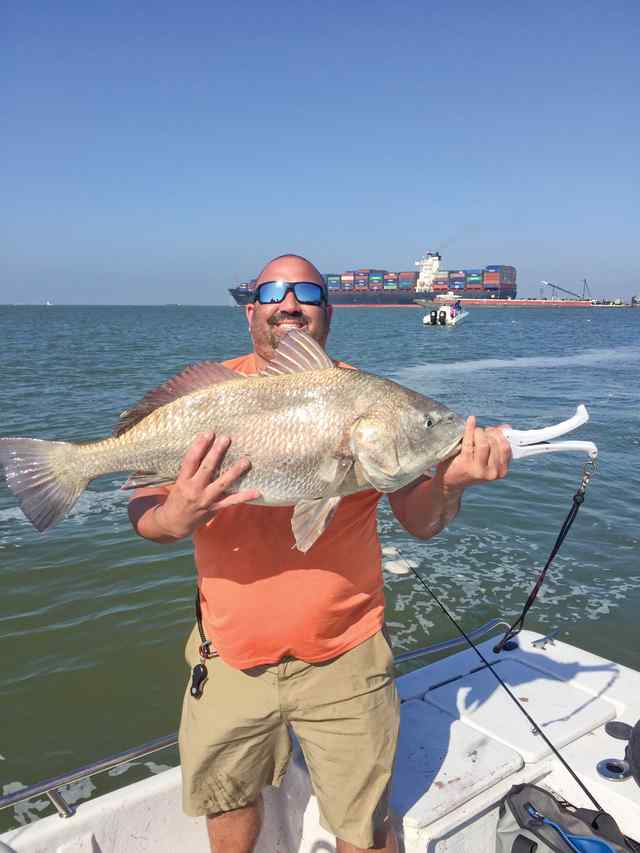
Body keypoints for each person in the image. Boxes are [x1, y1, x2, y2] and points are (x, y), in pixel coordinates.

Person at [128, 253, 512, 853]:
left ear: (326, 312)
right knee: (228, 805)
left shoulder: (374, 402)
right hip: (229, 655)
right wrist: (173, 517)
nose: (290, 303)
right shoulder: (206, 400)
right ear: (250, 311)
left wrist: (452, 480)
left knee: (364, 826)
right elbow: (148, 516)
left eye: (306, 292)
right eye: (273, 293)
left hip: (348, 658)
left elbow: (421, 521)